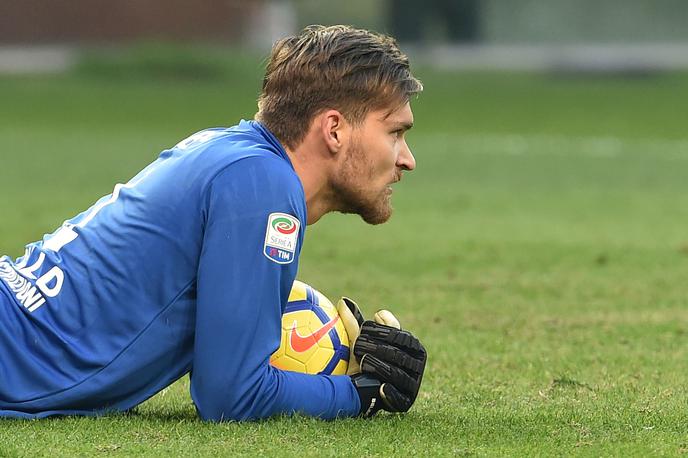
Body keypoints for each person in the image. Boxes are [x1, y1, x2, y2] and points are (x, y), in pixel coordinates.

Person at [0, 25, 427, 421]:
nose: (406, 159)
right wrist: (358, 394)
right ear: (334, 129)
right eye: (394, 133)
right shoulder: (263, 185)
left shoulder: (232, 153)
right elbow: (233, 394)